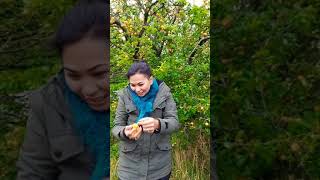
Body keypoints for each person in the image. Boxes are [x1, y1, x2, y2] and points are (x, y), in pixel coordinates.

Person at [16, 1, 110, 180]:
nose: (88, 90)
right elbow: (32, 174)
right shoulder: (48, 104)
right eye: (73, 76)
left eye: (99, 73)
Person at [112, 61, 180, 180]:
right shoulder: (124, 96)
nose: (137, 89)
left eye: (140, 84)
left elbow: (174, 122)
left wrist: (158, 124)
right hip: (130, 168)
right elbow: (117, 126)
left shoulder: (165, 94)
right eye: (132, 85)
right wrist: (124, 132)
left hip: (159, 167)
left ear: (150, 79)